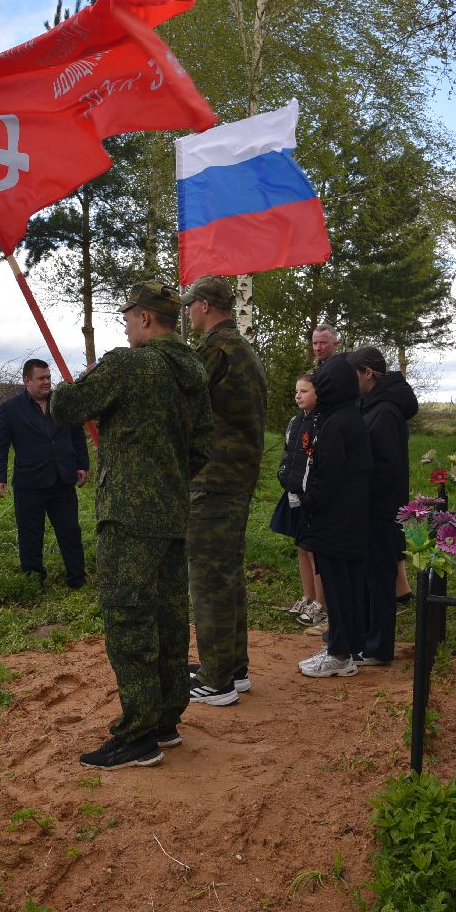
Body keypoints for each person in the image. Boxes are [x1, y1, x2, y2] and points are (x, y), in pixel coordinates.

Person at [51, 280, 212, 769]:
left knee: (128, 619)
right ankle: (165, 720)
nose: (124, 326)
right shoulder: (194, 371)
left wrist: (67, 383)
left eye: (126, 318)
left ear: (144, 318)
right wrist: (167, 473)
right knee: (166, 616)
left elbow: (66, 409)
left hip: (127, 515)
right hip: (171, 513)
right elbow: (203, 444)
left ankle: (137, 734)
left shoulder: (128, 364)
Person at [180, 277, 267, 707]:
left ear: (205, 306)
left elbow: (183, 401)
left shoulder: (215, 350)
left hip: (213, 480)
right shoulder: (245, 350)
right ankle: (232, 666)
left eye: (190, 307)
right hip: (236, 478)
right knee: (227, 572)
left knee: (209, 575)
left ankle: (217, 680)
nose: (188, 314)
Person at [296, 355, 373, 678]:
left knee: (339, 590)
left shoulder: (337, 422)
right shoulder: (348, 416)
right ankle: (346, 648)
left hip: (335, 520)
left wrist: (308, 501)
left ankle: (340, 653)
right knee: (347, 587)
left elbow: (328, 474)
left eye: (322, 379)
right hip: (349, 519)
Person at [0, 359, 88, 590]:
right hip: (30, 483)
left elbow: (77, 435)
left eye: (48, 377)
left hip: (62, 480)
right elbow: (1, 446)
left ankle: (77, 579)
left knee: (70, 531)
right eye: (41, 378)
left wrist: (82, 465)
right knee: (30, 534)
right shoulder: (10, 408)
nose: (47, 382)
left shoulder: (62, 403)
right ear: (27, 380)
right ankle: (34, 581)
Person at [349, 347, 419, 666]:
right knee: (370, 577)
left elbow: (387, 466)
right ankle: (368, 641)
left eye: (354, 374)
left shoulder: (386, 411)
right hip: (369, 508)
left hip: (381, 509)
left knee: (379, 579)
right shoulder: (372, 406)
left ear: (368, 374)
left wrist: (362, 489)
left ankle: (379, 648)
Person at [275, 375, 327, 629]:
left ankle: (321, 603)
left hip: (312, 496)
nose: (298, 395)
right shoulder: (295, 421)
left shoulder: (321, 422)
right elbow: (288, 453)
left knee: (315, 550)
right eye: (297, 391)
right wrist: (283, 478)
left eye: (304, 391)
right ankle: (308, 596)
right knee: (301, 547)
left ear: (318, 393)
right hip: (293, 494)